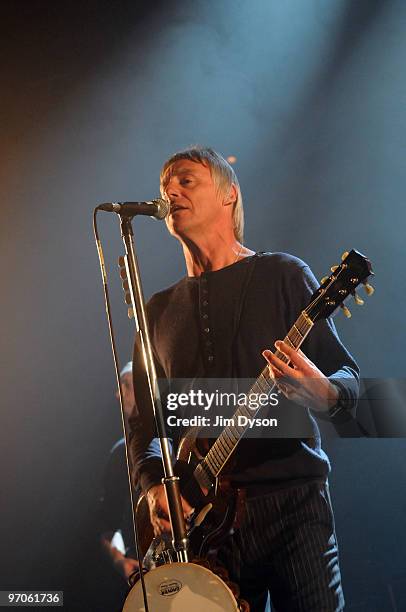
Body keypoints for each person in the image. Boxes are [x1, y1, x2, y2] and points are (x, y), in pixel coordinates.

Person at [128, 147, 359, 611]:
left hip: (293, 504)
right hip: (209, 531)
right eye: (164, 186)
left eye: (186, 181)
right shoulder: (156, 311)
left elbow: (347, 375)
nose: (170, 191)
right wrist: (154, 484)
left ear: (229, 194)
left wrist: (326, 393)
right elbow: (144, 426)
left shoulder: (282, 275)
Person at [99, 362, 139, 583]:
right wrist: (119, 560)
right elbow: (107, 525)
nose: (118, 394)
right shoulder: (120, 453)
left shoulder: (181, 442)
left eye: (126, 385)